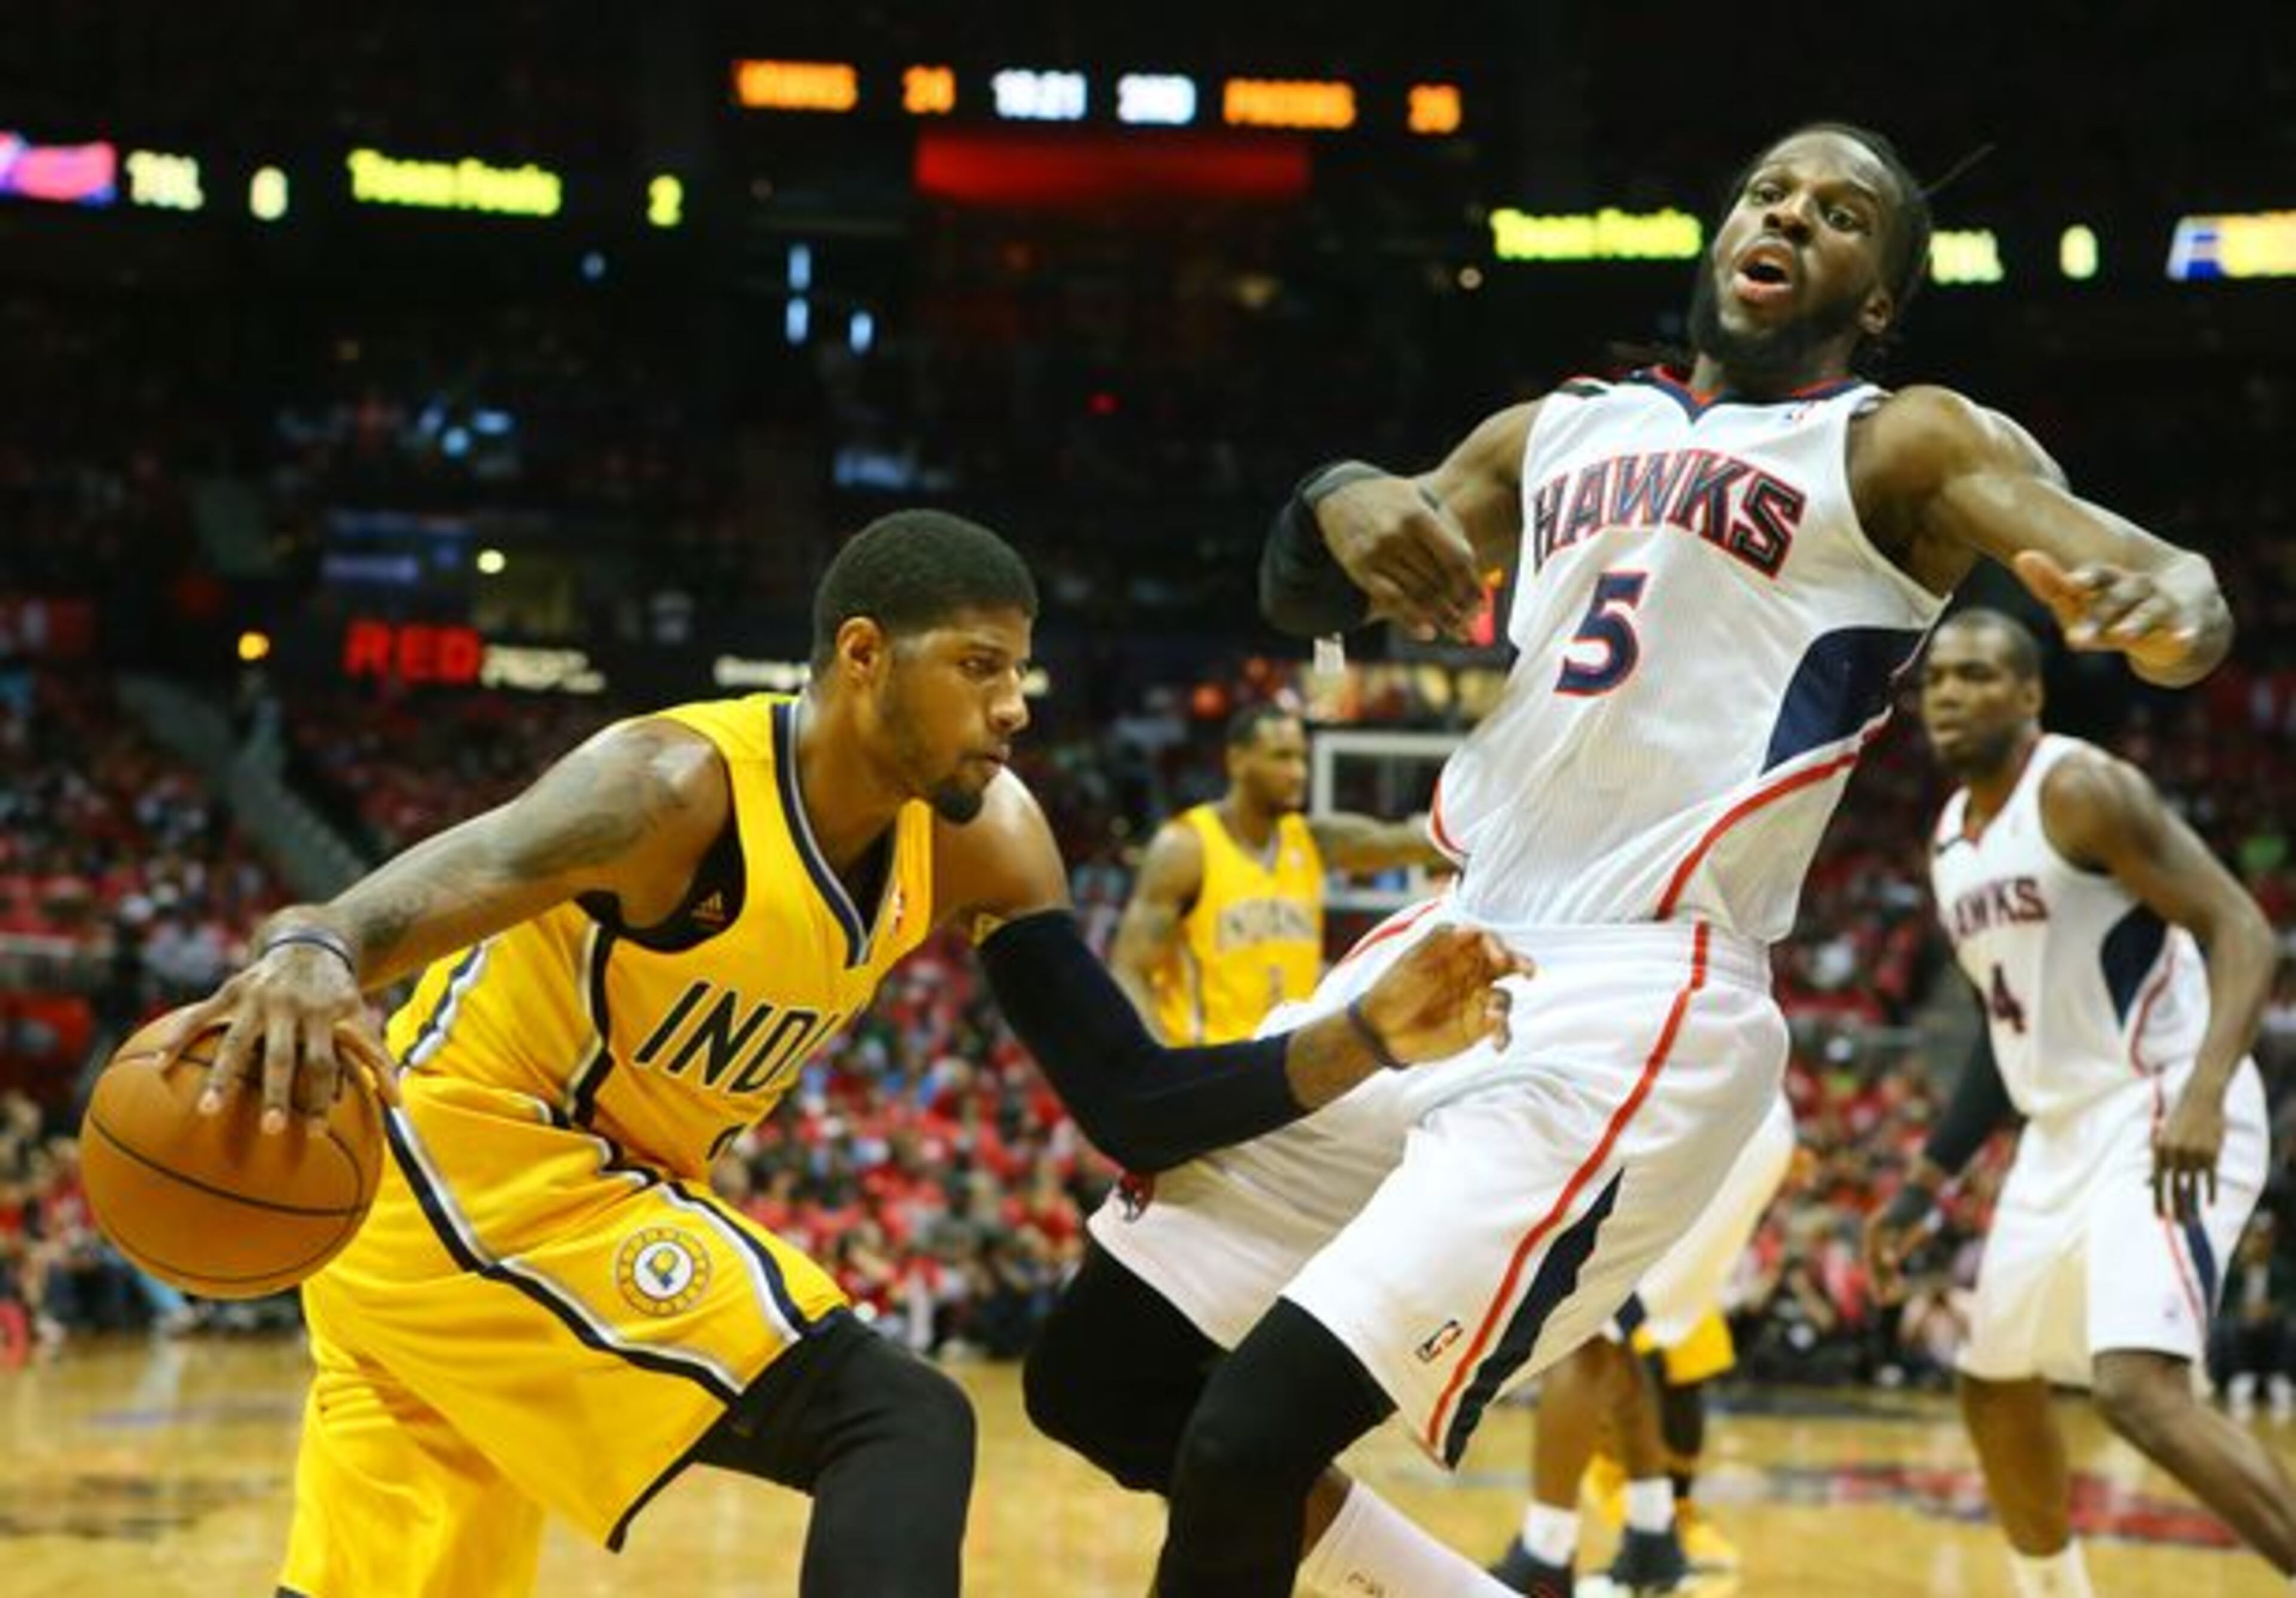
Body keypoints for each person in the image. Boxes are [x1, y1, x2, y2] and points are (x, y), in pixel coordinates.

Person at [1021, 121, 2234, 1598]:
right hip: (1447, 942)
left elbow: (2176, 586)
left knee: (1246, 1440)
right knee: (1095, 1377)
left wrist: (2159, 608)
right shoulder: (1555, 429)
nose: (1786, 209)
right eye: (1765, 187)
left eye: (1838, 212)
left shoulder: (1892, 441)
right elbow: (1301, 583)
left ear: (1873, 299)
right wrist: (1333, 490)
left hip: (1637, 985)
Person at [154, 510, 1526, 1598]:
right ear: (864, 654)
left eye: (1021, 672)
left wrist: (1361, 1036)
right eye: (979, 667)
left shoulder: (981, 835)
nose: (1014, 708)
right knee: (900, 1420)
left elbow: (1132, 1100)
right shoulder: (670, 784)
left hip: (544, 1209)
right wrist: (312, 944)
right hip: (472, 1163)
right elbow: (451, 876)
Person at [1865, 608, 2292, 1598]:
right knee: (1992, 1379)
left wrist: (2203, 1092)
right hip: (2059, 1131)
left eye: (1977, 676)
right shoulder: (1949, 844)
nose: (1951, 694)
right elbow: (1995, 1029)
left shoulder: (2083, 790)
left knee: (2138, 1391)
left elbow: (2242, 930)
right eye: (1937, 680)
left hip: (2158, 1106)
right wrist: (1926, 1182)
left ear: (2030, 695)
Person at [1489, 1092, 1796, 1594]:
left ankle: (1545, 1559)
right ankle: (1653, 1539)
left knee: (1578, 1329)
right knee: (1608, 1333)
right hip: (1727, 1117)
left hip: (1708, 1119)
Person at [1110, 701, 1443, 1047]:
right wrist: (1159, 1062)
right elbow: (1128, 970)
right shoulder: (1186, 848)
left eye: (1302, 758)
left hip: (1287, 1070)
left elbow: (1411, 844)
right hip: (1208, 1068)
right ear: (1237, 762)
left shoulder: (1313, 841)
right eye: (1282, 757)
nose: (1298, 772)